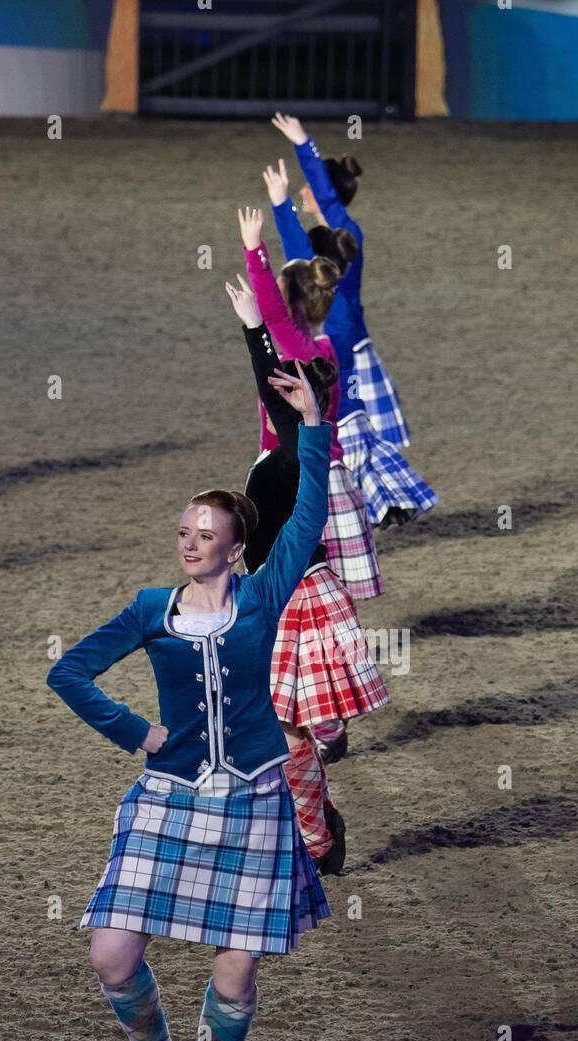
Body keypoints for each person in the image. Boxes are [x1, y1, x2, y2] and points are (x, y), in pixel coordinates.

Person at [46, 360, 333, 1041]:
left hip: (252, 801)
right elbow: (66, 671)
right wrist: (132, 729)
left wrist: (312, 421)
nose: (190, 544)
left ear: (238, 548)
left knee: (236, 977)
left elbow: (308, 511)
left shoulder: (266, 595)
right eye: (183, 532)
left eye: (205, 535)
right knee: (111, 952)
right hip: (168, 797)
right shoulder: (150, 609)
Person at [226, 274, 390, 839]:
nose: (270, 398)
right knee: (286, 728)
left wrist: (253, 326)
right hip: (281, 597)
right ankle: (320, 829)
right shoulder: (287, 450)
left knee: (285, 728)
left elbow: (277, 395)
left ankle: (318, 834)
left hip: (298, 600)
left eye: (281, 392)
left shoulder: (301, 450)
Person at [262, 156, 438, 530]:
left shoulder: (315, 304)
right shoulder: (345, 261)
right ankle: (387, 500)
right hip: (347, 364)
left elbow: (296, 244)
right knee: (355, 434)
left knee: (333, 441)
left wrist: (280, 202)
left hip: (331, 368)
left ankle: (373, 505)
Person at [237, 206, 384, 607]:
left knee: (289, 574)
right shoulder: (323, 344)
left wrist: (255, 251)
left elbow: (270, 312)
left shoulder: (298, 350)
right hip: (318, 468)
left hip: (296, 472)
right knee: (323, 583)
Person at [271, 111, 414, 451]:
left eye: (313, 184)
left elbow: (310, 223)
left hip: (340, 338)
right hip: (340, 335)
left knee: (348, 428)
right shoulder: (328, 236)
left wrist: (304, 145)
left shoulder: (344, 232)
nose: (306, 189)